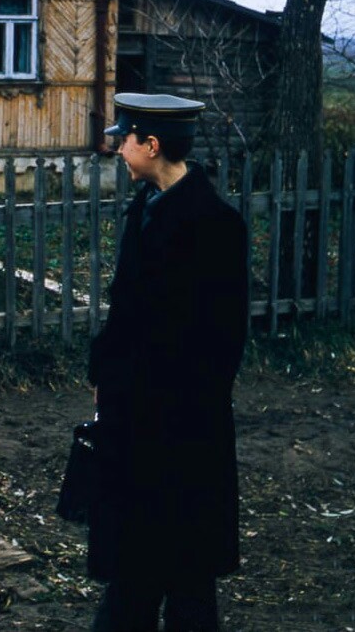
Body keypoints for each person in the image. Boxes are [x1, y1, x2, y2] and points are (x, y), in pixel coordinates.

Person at [85, 93, 249, 632]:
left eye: (124, 138)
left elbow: (221, 342)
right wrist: (104, 377)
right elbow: (127, 310)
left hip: (182, 433)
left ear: (151, 145)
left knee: (186, 576)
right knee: (134, 568)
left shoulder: (214, 226)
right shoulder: (145, 210)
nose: (116, 147)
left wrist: (159, 402)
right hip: (137, 423)